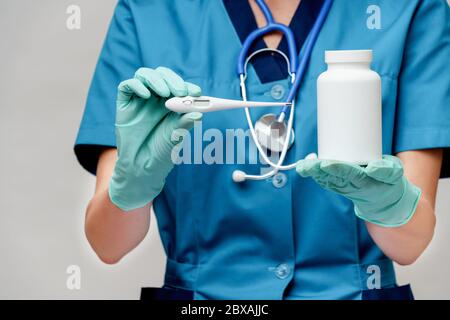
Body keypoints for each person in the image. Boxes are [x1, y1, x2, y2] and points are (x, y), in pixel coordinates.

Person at [75, 0, 450, 300]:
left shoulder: (409, 6)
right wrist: (132, 188)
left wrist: (386, 204)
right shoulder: (148, 11)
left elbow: (411, 245)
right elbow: (108, 245)